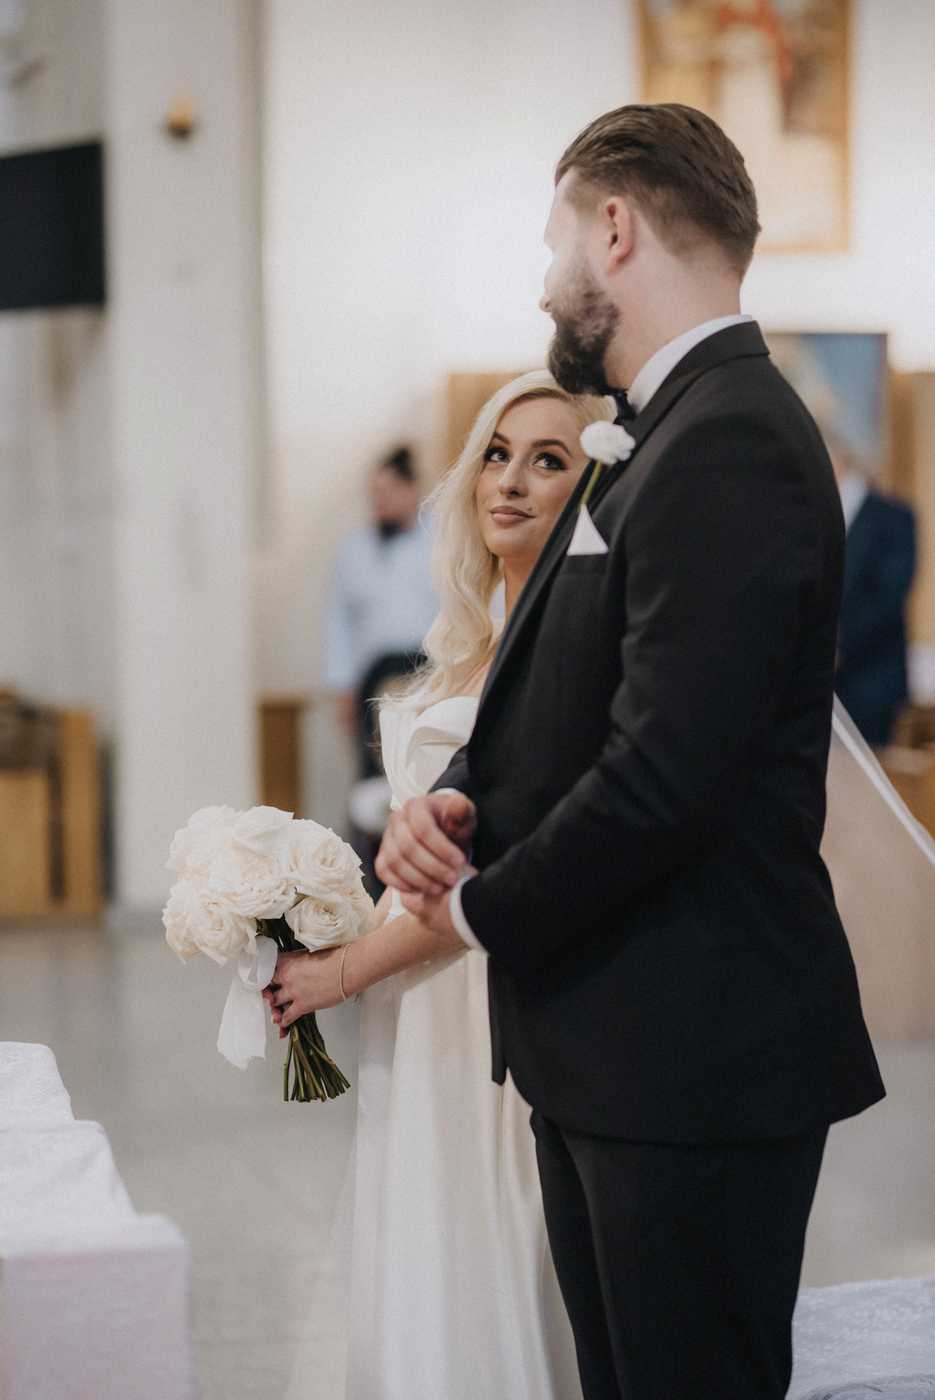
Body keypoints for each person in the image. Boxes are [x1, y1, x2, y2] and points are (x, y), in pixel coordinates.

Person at [364, 103, 885, 1400]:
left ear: (612, 229)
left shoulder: (730, 435)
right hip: (611, 1047)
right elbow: (568, 695)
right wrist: (455, 800)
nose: (547, 282)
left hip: (690, 1056)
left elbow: (664, 776)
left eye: (554, 244)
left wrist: (471, 909)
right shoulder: (655, 431)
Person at [272, 372, 614, 1399]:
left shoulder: (574, 651)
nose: (509, 480)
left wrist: (339, 973)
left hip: (483, 987)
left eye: (548, 460)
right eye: (496, 454)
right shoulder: (464, 640)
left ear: (593, 488)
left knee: (490, 1232)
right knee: (423, 1235)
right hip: (414, 993)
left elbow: (498, 871)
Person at [322, 445, 438, 776]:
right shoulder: (353, 548)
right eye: (375, 492)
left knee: (425, 767)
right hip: (372, 675)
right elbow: (338, 620)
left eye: (388, 491)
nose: (379, 500)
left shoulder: (442, 539)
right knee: (373, 770)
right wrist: (342, 685)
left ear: (412, 489)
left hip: (429, 669)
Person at [833, 452, 916, 747]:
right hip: (821, 690)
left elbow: (887, 599)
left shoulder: (893, 517)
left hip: (870, 684)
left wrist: (837, 646)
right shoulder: (813, 518)